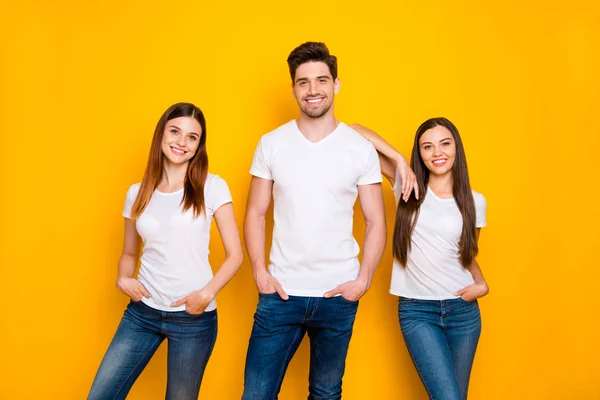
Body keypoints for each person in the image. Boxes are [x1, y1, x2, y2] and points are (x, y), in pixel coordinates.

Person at [241, 41, 411, 400]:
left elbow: (375, 221)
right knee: (257, 394)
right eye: (303, 82)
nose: (313, 90)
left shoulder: (358, 148)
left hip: (338, 296)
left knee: (326, 392)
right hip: (280, 294)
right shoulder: (271, 143)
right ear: (293, 89)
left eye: (321, 80)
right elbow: (255, 211)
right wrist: (259, 270)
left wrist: (362, 280)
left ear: (336, 84)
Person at [88, 102, 243, 400]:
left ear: (199, 146)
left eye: (192, 137)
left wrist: (206, 294)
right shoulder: (137, 192)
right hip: (142, 313)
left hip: (193, 318)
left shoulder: (212, 187)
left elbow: (235, 254)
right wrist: (123, 277)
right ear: (161, 134)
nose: (181, 142)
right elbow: (130, 252)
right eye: (175, 131)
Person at [352, 118, 489, 400]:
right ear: (420, 153)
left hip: (463, 312)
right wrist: (400, 159)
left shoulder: (476, 202)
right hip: (418, 312)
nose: (437, 152)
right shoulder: (407, 186)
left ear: (456, 149)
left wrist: (482, 283)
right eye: (427, 146)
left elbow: (464, 252)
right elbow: (354, 130)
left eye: (444, 144)